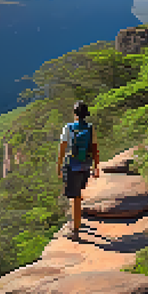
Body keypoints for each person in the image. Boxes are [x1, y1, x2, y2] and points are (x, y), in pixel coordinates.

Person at [57, 101, 99, 241]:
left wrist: (59, 166)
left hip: (72, 166)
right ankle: (76, 220)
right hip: (85, 166)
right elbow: (94, 149)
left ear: (75, 114)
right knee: (77, 194)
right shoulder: (90, 128)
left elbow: (62, 149)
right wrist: (96, 166)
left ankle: (75, 230)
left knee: (74, 197)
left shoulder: (68, 128)